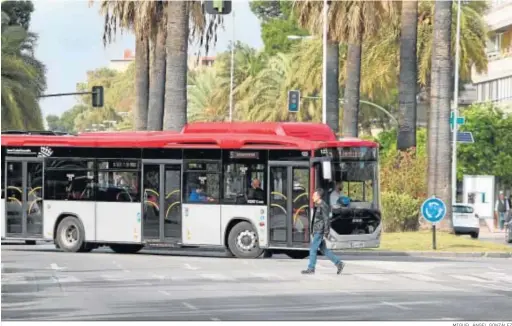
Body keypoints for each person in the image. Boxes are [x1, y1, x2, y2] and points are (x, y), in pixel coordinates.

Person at [302, 188, 345, 275]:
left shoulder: (323, 205)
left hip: (319, 230)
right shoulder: (318, 205)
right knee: (323, 249)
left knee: (313, 249)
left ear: (318, 196)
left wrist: (326, 231)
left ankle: (311, 268)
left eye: (314, 195)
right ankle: (339, 263)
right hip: (317, 230)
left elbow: (326, 219)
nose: (312, 197)